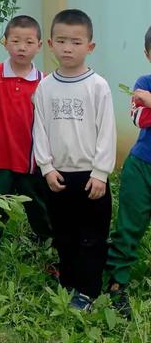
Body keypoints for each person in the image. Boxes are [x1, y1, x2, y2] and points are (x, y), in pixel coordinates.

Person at [33, 9, 116, 311]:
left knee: (92, 235)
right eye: (62, 41)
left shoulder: (97, 86)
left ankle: (89, 290)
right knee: (64, 233)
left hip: (90, 177)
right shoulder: (45, 86)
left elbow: (106, 131)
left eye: (76, 42)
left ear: (90, 47)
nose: (68, 48)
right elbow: (39, 129)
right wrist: (46, 167)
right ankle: (68, 283)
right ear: (51, 44)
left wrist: (101, 173)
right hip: (58, 176)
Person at [0, 16, 52, 254]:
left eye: (28, 42)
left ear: (39, 45)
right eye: (15, 41)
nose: (22, 47)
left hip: (30, 160)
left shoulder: (44, 82)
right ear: (5, 43)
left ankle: (46, 246)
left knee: (38, 206)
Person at [106, 26, 151, 318]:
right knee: (128, 226)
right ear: (148, 55)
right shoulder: (143, 83)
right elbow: (139, 118)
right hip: (141, 167)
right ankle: (117, 284)